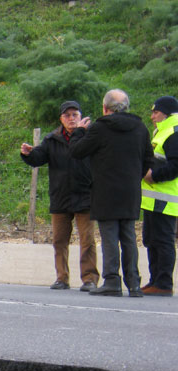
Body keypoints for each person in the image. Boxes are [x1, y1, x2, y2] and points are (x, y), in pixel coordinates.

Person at [69, 89, 153, 297]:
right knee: (129, 237)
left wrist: (79, 131)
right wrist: (134, 178)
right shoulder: (141, 128)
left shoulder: (100, 128)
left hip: (106, 191)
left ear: (105, 108)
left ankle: (112, 281)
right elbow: (148, 160)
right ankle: (134, 283)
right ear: (127, 107)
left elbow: (76, 151)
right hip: (131, 191)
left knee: (109, 237)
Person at [20, 101, 99, 291]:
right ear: (61, 119)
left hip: (85, 196)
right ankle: (62, 278)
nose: (71, 119)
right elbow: (39, 157)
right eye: (67, 115)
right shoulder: (52, 139)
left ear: (81, 117)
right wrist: (28, 153)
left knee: (87, 240)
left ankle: (89, 279)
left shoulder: (91, 137)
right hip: (60, 196)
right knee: (59, 241)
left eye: (75, 115)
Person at [141, 95, 178, 296]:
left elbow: (175, 166)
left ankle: (163, 283)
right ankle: (155, 280)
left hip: (166, 198)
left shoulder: (174, 133)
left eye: (156, 112)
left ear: (167, 113)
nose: (152, 116)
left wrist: (153, 176)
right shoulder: (162, 132)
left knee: (163, 241)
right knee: (151, 239)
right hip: (153, 199)